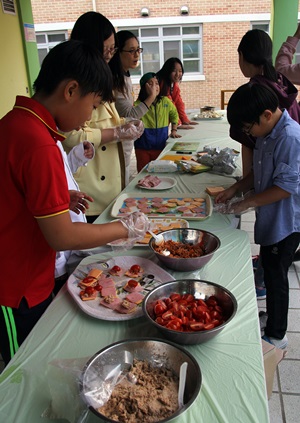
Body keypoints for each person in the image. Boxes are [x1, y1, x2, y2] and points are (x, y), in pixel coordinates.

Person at [0, 40, 149, 366]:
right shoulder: (37, 141)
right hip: (14, 287)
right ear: (70, 90)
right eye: (93, 105)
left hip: (27, 274)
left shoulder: (18, 123)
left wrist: (57, 197)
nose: (89, 118)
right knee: (21, 370)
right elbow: (63, 236)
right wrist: (120, 228)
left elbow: (14, 188)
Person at [216, 83, 300, 349]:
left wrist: (247, 203)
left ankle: (277, 334)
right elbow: (258, 171)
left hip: (287, 222)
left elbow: (285, 188)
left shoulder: (289, 138)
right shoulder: (267, 132)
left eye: (247, 127)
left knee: (276, 275)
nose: (248, 134)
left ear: (265, 114)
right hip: (272, 218)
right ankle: (272, 318)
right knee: (269, 265)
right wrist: (236, 189)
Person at [63, 12, 144, 222]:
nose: (110, 55)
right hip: (89, 193)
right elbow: (71, 136)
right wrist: (116, 132)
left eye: (112, 49)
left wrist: (126, 126)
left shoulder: (102, 76)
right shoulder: (76, 82)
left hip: (110, 187)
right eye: (106, 49)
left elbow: (107, 120)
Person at [111, 30, 157, 183]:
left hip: (125, 141)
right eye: (131, 51)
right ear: (117, 52)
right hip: (115, 144)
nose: (137, 54)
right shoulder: (114, 80)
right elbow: (131, 114)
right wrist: (151, 97)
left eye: (138, 49)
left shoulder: (125, 75)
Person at [54, 140, 95, 295]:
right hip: (56, 255)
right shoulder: (38, 143)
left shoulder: (53, 139)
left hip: (67, 248)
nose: (85, 122)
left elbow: (61, 174)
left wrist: (76, 157)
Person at [134, 72, 181, 172]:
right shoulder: (138, 105)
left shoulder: (165, 101)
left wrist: (174, 130)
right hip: (142, 148)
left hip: (161, 147)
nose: (155, 86)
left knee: (160, 173)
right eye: (150, 84)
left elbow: (174, 115)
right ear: (143, 87)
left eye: (156, 83)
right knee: (143, 174)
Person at [156, 57, 198, 129]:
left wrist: (184, 120)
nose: (177, 74)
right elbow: (170, 107)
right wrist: (178, 124)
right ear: (167, 71)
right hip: (156, 125)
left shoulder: (173, 83)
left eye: (180, 71)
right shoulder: (161, 83)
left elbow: (179, 103)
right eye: (174, 71)